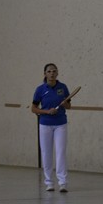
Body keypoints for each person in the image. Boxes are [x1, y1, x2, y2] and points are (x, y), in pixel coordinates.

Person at [32, 63, 72, 192]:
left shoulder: (63, 87)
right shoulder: (40, 89)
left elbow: (69, 106)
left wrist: (65, 104)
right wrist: (47, 112)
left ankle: (62, 182)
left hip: (61, 124)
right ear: (45, 74)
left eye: (54, 71)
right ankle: (49, 182)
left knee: (60, 152)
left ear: (57, 73)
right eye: (49, 71)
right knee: (46, 153)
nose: (52, 73)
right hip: (45, 124)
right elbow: (34, 108)